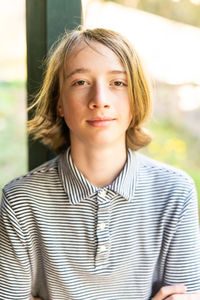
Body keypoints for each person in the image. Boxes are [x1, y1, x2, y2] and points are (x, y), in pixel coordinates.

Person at [0, 27, 200, 300]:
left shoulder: (175, 193)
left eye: (118, 83)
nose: (100, 101)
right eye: (80, 82)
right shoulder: (20, 201)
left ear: (136, 98)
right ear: (59, 101)